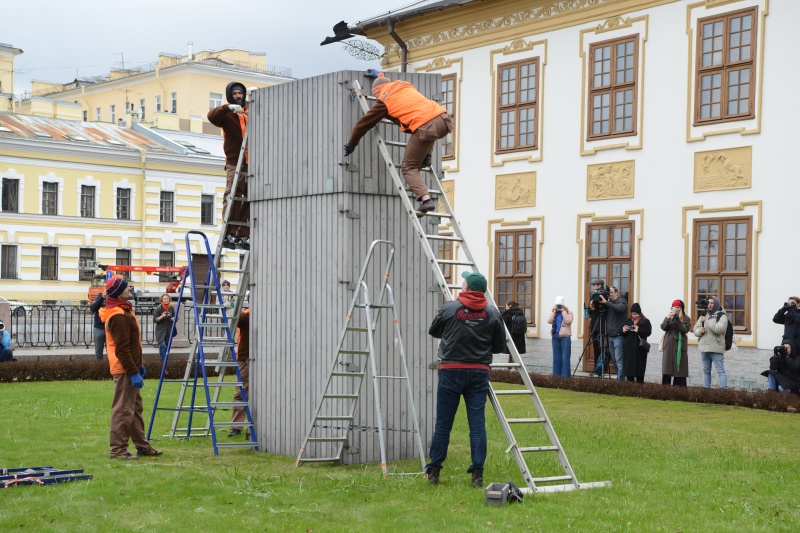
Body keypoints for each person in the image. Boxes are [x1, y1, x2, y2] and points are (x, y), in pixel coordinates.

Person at [425, 272, 506, 487]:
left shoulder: (450, 308)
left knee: (443, 423)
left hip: (451, 369)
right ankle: (477, 474)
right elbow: (499, 346)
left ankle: (434, 470)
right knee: (477, 423)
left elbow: (433, 331)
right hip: (479, 372)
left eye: (463, 282)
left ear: (466, 287)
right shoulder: (492, 313)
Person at [344, 74, 453, 214]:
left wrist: (352, 143)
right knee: (427, 132)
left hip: (426, 125)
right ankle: (426, 157)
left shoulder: (384, 100)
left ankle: (426, 200)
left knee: (408, 167)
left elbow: (362, 125)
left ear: (377, 91)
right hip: (443, 119)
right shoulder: (404, 85)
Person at [99, 277, 162, 460]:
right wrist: (133, 371)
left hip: (130, 367)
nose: (129, 290)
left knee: (134, 408)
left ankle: (142, 445)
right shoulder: (118, 315)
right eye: (126, 288)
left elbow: (130, 345)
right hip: (125, 369)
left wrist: (138, 365)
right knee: (123, 410)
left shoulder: (122, 310)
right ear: (119, 292)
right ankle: (118, 450)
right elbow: (122, 349)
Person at [208, 81, 250, 250]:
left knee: (248, 197)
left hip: (252, 161)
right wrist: (227, 107)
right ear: (229, 96)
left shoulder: (251, 111)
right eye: (235, 94)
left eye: (240, 93)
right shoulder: (226, 114)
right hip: (235, 161)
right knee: (233, 195)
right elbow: (211, 117)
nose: (238, 96)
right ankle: (228, 232)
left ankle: (243, 234)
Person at [693, 296, 728, 389]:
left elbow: (718, 329)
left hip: (716, 348)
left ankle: (724, 392)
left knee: (720, 371)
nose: (710, 305)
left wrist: (707, 321)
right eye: (708, 303)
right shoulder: (703, 315)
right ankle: (706, 390)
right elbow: (695, 329)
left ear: (716, 304)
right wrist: (700, 331)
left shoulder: (722, 316)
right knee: (706, 371)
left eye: (712, 303)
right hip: (704, 348)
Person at [595, 286, 628, 380]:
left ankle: (620, 382)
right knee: (614, 360)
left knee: (619, 361)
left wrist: (606, 302)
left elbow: (619, 309)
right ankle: (619, 380)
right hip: (611, 336)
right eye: (608, 292)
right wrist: (594, 306)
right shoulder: (608, 304)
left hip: (619, 336)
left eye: (611, 292)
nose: (609, 294)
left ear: (616, 293)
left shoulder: (622, 301)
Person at [229, 304, 251, 437]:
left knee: (242, 392)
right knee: (241, 392)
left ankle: (237, 427)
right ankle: (236, 427)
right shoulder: (246, 315)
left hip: (247, 358)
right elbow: (235, 319)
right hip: (245, 359)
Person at [660, 299, 691, 386]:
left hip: (679, 346)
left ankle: (679, 391)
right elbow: (663, 327)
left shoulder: (686, 318)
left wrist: (677, 320)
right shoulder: (669, 316)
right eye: (674, 307)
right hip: (669, 345)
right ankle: (665, 390)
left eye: (678, 307)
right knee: (667, 368)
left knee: (680, 370)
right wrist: (667, 318)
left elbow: (684, 329)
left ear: (681, 308)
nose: (676, 309)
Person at [621, 303, 652, 383]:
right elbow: (620, 332)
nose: (634, 316)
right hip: (629, 350)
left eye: (636, 314)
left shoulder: (645, 321)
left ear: (639, 313)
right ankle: (630, 388)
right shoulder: (627, 321)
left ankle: (640, 388)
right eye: (633, 314)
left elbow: (648, 332)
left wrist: (639, 330)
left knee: (640, 371)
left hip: (640, 350)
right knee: (629, 372)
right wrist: (623, 330)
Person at [586, 278, 609, 376]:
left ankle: (603, 368)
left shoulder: (605, 296)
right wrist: (591, 308)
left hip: (602, 324)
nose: (593, 287)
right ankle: (596, 368)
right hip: (594, 324)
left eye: (595, 285)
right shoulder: (594, 296)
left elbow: (607, 309)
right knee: (595, 347)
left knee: (602, 348)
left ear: (600, 285)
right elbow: (590, 312)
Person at [547, 296, 573, 377]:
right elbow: (549, 321)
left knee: (565, 358)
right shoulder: (554, 313)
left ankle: (565, 378)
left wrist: (563, 311)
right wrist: (554, 311)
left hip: (565, 337)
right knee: (556, 358)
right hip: (555, 337)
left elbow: (568, 321)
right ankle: (556, 376)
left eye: (559, 305)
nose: (558, 307)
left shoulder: (569, 313)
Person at [153, 293, 176, 362]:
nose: (166, 300)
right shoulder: (158, 308)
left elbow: (176, 317)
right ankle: (162, 360)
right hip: (160, 331)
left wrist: (174, 319)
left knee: (167, 346)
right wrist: (162, 316)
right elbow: (155, 320)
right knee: (162, 345)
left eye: (167, 299)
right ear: (162, 300)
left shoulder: (171, 308)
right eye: (164, 299)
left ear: (169, 300)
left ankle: (166, 360)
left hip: (169, 331)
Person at [89, 290, 107, 360]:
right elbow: (92, 308)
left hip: (111, 327)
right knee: (98, 352)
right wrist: (102, 297)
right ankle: (99, 367)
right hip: (99, 327)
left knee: (112, 351)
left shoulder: (114, 298)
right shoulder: (100, 297)